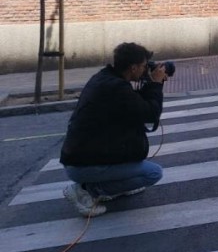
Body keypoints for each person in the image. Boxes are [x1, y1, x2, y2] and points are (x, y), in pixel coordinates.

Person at [60, 42, 168, 218]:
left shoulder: (104, 78)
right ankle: (87, 190)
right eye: (143, 66)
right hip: (82, 165)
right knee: (153, 173)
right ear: (133, 68)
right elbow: (150, 114)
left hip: (79, 158)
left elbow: (134, 105)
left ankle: (111, 187)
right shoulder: (116, 88)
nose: (145, 70)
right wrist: (155, 84)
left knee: (136, 162)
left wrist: (149, 83)